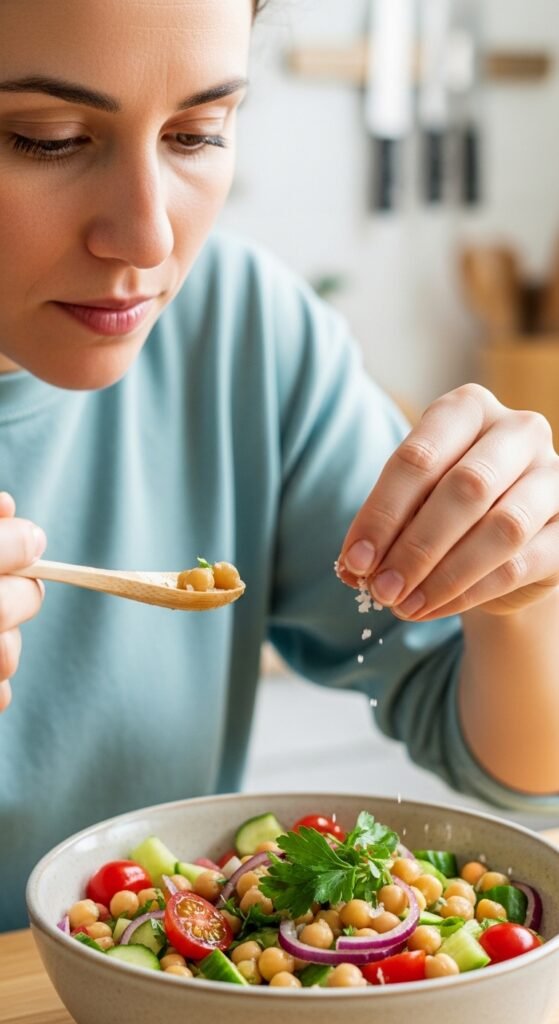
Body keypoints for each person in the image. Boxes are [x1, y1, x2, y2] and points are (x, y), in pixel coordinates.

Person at [0, 0, 558, 934]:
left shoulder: (247, 334)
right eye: (45, 139)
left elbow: (516, 760)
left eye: (198, 132)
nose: (148, 240)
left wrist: (522, 588)